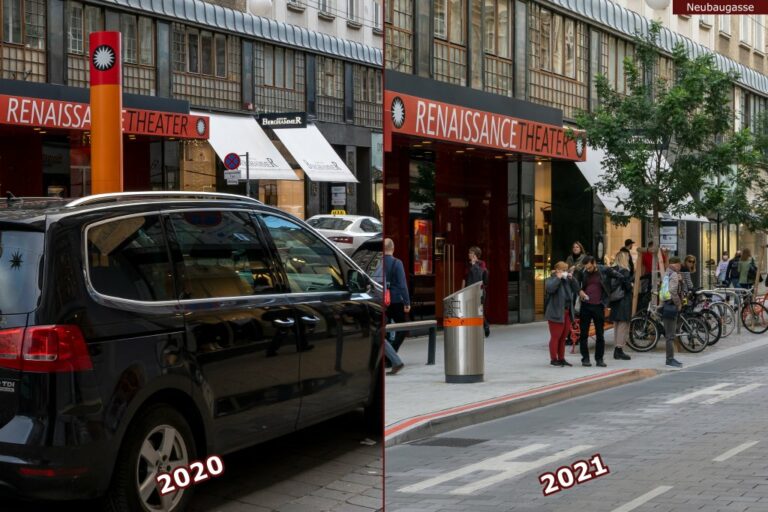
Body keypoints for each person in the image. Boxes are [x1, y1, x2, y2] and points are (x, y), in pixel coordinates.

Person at [575, 256, 618, 367]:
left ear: (594, 263)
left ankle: (599, 359)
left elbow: (617, 276)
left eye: (589, 267)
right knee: (583, 334)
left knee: (600, 334)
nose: (587, 270)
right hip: (585, 306)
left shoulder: (603, 270)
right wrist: (579, 292)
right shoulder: (582, 271)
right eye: (586, 268)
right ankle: (585, 358)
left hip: (599, 306)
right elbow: (574, 283)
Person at [545, 261, 580, 367]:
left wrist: (572, 278)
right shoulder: (551, 279)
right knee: (556, 336)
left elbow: (577, 288)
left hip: (567, 312)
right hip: (556, 313)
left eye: (566, 270)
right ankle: (553, 359)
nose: (565, 272)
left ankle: (561, 358)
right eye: (563, 270)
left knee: (563, 337)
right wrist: (558, 277)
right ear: (557, 270)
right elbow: (550, 288)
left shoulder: (566, 280)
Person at [384, 238, 410, 352]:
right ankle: (392, 354)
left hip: (382, 301)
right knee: (403, 328)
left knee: (385, 329)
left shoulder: (379, 262)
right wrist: (407, 302)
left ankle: (386, 355)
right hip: (395, 301)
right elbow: (402, 285)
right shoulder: (397, 263)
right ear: (393, 248)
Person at [609, 251, 633, 361]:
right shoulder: (625, 271)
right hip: (624, 300)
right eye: (627, 257)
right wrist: (631, 285)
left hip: (614, 300)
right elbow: (627, 286)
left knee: (616, 325)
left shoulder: (612, 270)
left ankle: (616, 349)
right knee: (623, 325)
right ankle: (619, 350)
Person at [661, 256, 684, 369]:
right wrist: (678, 303)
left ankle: (670, 358)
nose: (680, 267)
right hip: (671, 306)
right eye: (679, 265)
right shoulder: (674, 274)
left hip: (665, 304)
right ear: (675, 264)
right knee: (670, 335)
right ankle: (669, 359)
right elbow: (672, 291)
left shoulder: (667, 273)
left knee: (669, 335)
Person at [465, 246, 491, 337]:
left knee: (478, 311)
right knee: (472, 311)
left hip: (478, 292)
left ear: (475, 255)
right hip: (469, 291)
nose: (469, 254)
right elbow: (466, 278)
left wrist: (474, 265)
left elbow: (478, 279)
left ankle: (485, 326)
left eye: (470, 253)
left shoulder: (481, 265)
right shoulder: (470, 264)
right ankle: (481, 327)